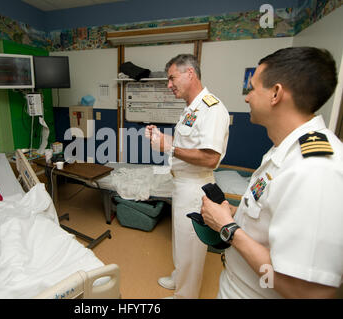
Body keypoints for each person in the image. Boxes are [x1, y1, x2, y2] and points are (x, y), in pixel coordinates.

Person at [200, 47, 342, 298]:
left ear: (276, 93)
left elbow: (306, 292)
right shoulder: (284, 151)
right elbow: (272, 219)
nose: (247, 98)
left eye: (252, 88)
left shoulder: (316, 169)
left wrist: (228, 228)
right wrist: (233, 214)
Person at [145, 54, 230, 298]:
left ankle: (186, 294)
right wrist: (161, 139)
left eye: (172, 78)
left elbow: (210, 158)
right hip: (181, 184)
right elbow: (187, 145)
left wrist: (169, 147)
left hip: (195, 187)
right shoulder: (192, 109)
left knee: (191, 245)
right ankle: (178, 277)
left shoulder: (212, 109)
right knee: (181, 241)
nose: (169, 85)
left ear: (190, 73)